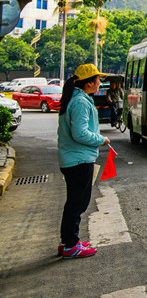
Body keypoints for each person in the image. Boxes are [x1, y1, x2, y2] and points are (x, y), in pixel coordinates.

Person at [57, 63, 111, 258]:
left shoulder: (77, 98)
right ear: (89, 83)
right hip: (78, 160)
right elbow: (80, 133)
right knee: (77, 203)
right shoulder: (80, 102)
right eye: (98, 80)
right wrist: (101, 139)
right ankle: (71, 245)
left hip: (74, 158)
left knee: (74, 202)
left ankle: (68, 242)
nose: (100, 83)